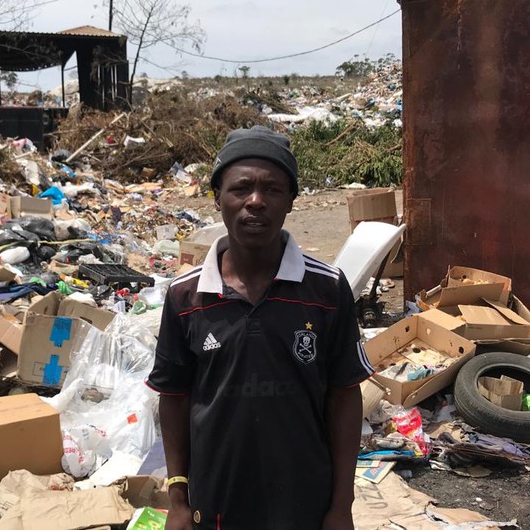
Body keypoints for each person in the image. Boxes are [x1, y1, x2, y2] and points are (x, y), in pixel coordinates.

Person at [146, 126, 374, 529]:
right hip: (215, 501)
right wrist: (178, 498)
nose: (255, 201)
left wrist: (342, 504)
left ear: (291, 201)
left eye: (272, 189)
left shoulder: (326, 289)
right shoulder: (186, 297)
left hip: (305, 503)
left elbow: (343, 396)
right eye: (241, 188)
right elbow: (175, 397)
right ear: (218, 198)